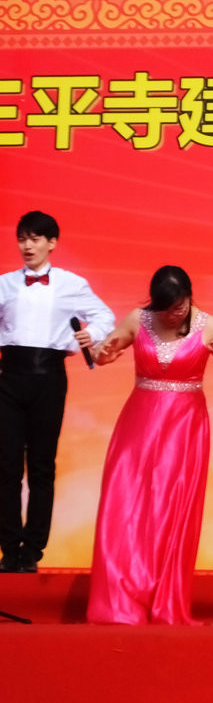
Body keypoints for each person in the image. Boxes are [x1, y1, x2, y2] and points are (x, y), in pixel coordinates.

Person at [87, 266, 213, 624]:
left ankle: (161, 597)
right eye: (166, 309)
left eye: (179, 306)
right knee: (125, 502)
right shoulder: (139, 319)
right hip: (138, 423)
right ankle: (120, 599)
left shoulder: (207, 325)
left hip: (184, 427)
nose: (174, 314)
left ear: (189, 297)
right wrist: (102, 352)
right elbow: (103, 355)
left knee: (170, 505)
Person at [0, 210, 114, 573]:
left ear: (52, 243)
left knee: (42, 465)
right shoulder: (4, 284)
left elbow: (105, 317)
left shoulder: (71, 284)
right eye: (22, 238)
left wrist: (89, 334)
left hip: (49, 377)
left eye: (35, 239)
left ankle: (32, 549)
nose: (27, 245)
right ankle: (8, 548)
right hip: (8, 377)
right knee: (6, 466)